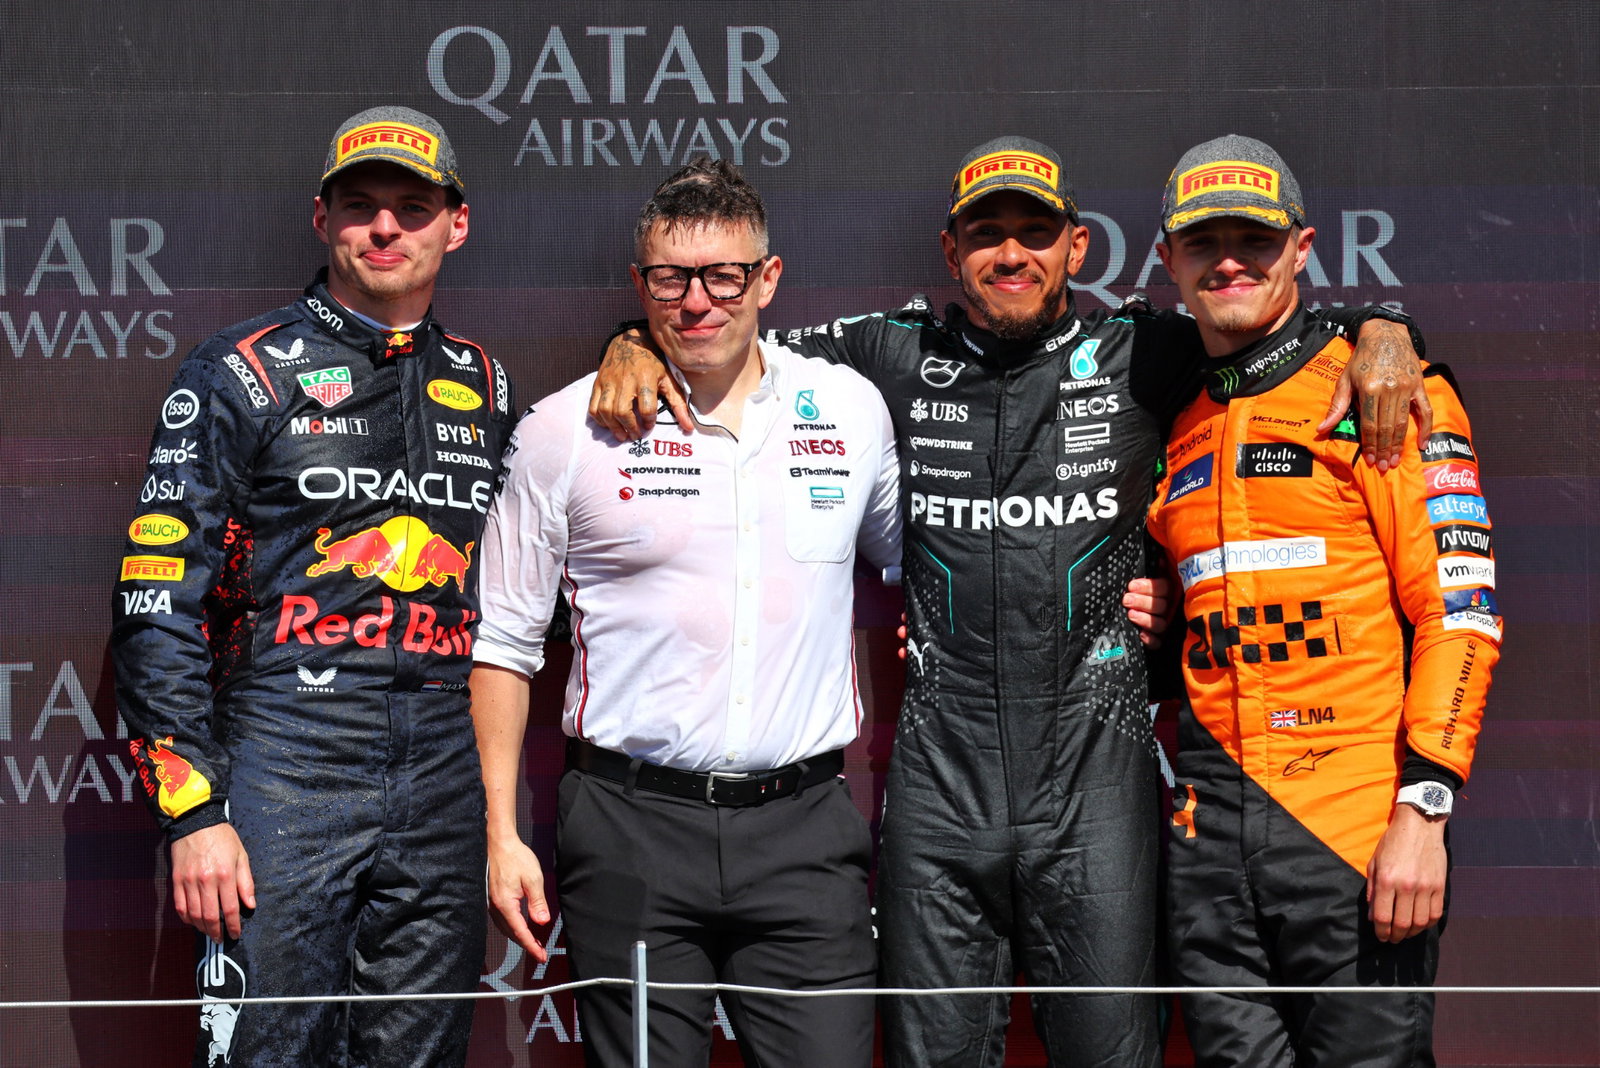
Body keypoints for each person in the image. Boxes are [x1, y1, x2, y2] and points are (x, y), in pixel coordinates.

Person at [588, 137, 1430, 1067]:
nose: (1012, 253)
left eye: (1036, 231)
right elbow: (726, 336)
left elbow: (1276, 329)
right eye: (987, 234)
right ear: (952, 255)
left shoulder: (1148, 351)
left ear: (1077, 246)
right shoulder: (891, 355)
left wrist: (1388, 332)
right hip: (940, 793)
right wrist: (629, 341)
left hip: (1096, 785)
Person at [469, 158, 901, 1066]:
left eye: (724, 276)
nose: (696, 302)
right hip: (630, 829)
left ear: (767, 279)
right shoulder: (563, 431)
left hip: (806, 828)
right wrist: (501, 835)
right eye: (670, 278)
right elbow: (505, 645)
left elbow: (921, 569)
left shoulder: (851, 411)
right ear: (641, 285)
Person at [111, 105, 516, 1067]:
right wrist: (194, 813)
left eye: (412, 209)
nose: (385, 229)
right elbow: (153, 602)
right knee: (267, 1052)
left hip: (441, 767)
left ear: (456, 224)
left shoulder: (491, 385)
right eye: (360, 206)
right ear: (322, 218)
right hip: (287, 753)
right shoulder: (239, 373)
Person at [1146, 134, 1499, 1066]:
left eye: (1255, 241)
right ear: (1168, 260)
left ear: (1301, 250)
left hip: (1352, 832)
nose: (1229, 262)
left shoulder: (1386, 392)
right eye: (1203, 242)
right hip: (1211, 844)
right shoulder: (1175, 417)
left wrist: (1424, 815)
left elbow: (1460, 616)